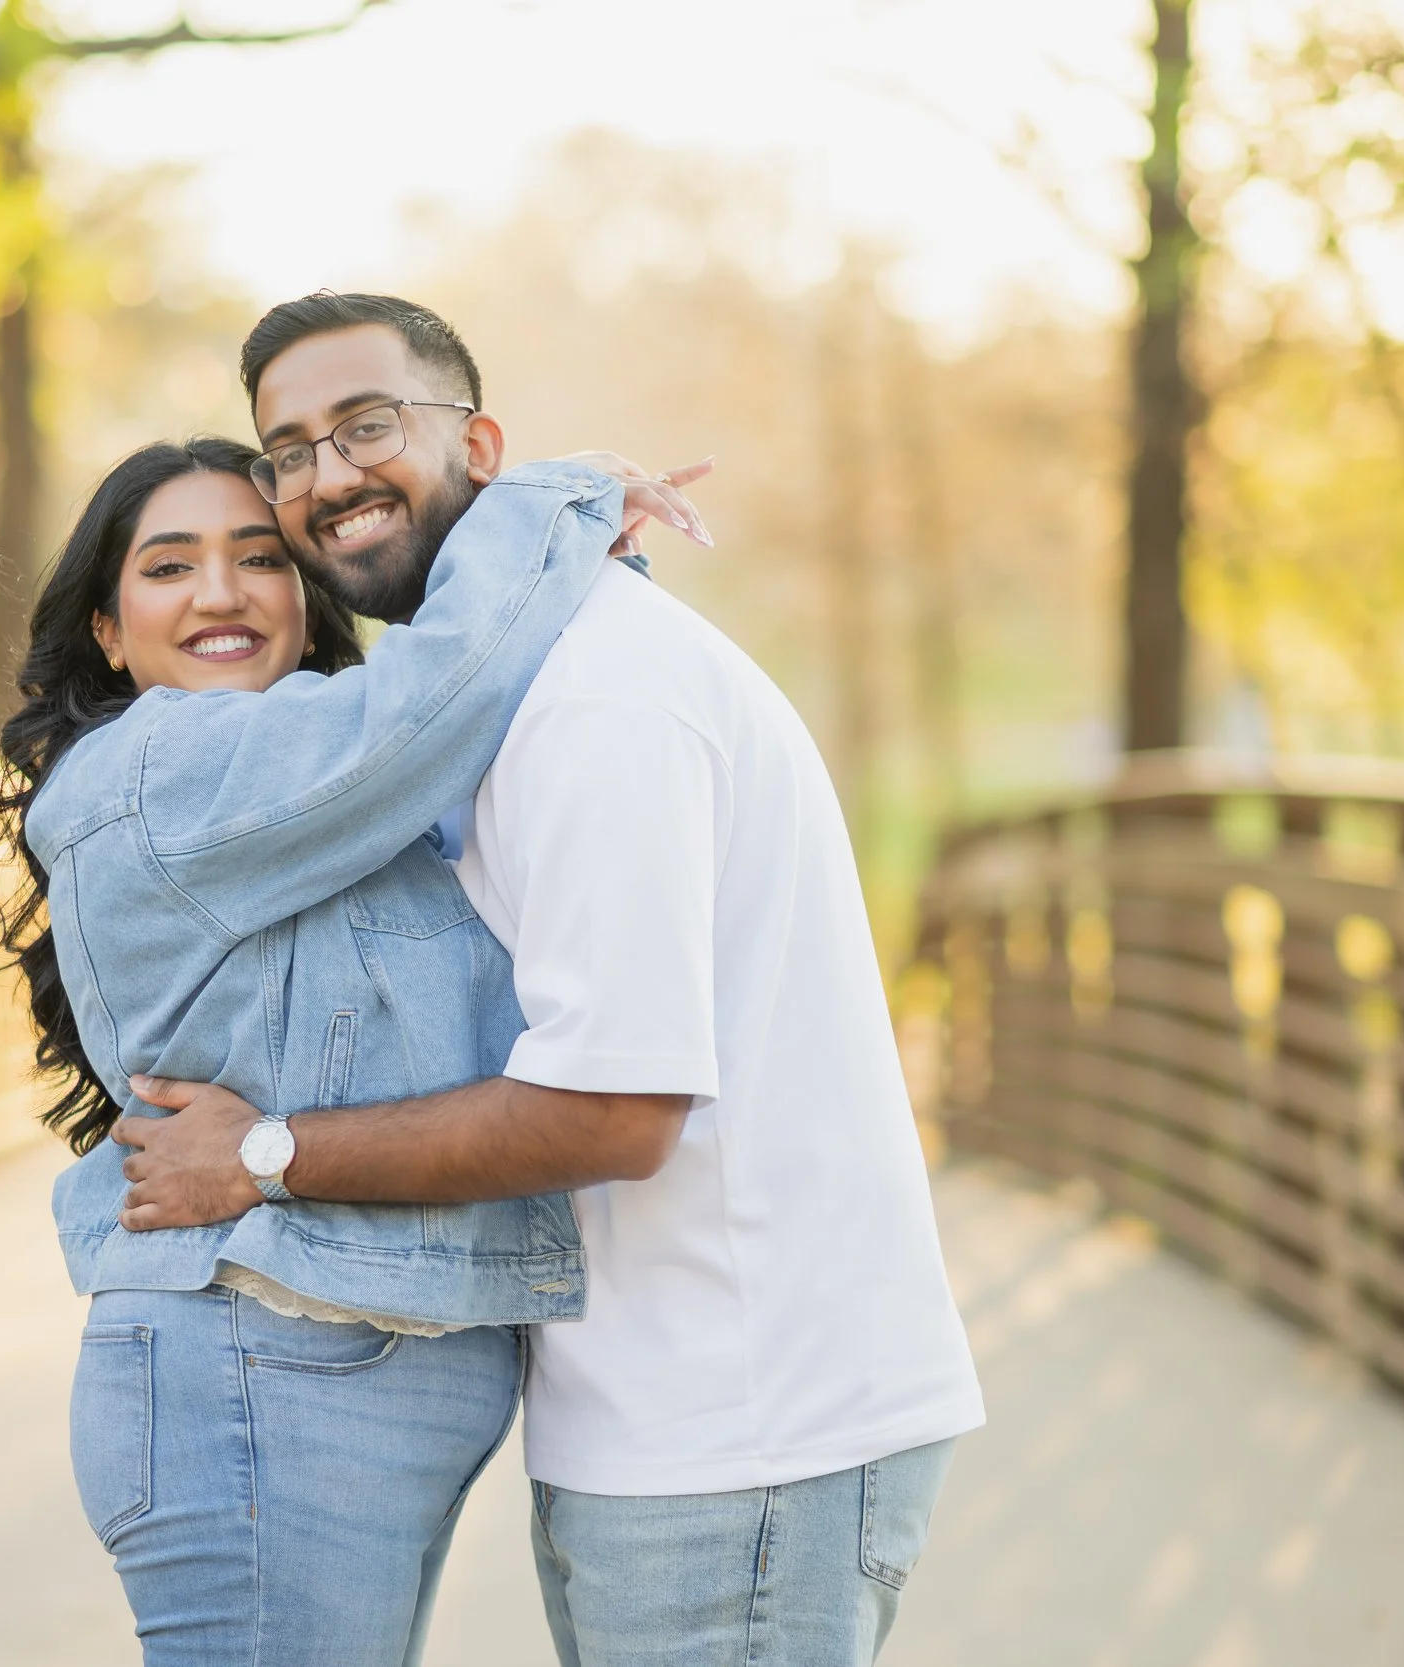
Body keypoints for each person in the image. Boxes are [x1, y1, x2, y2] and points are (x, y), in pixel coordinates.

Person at [114, 292, 986, 1667]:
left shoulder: (595, 702)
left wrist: (262, 1153)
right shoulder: (515, 689)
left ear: (482, 445)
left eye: (367, 424)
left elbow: (612, 1109)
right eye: (289, 449)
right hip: (659, 1409)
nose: (327, 476)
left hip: (742, 1415)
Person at [0, 433, 711, 1664]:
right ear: (107, 630)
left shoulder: (322, 783)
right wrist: (548, 505)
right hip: (261, 1380)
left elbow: (517, 738)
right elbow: (431, 698)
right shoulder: (162, 767)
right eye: (169, 567)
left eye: (257, 556)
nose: (220, 592)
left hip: (342, 1377)